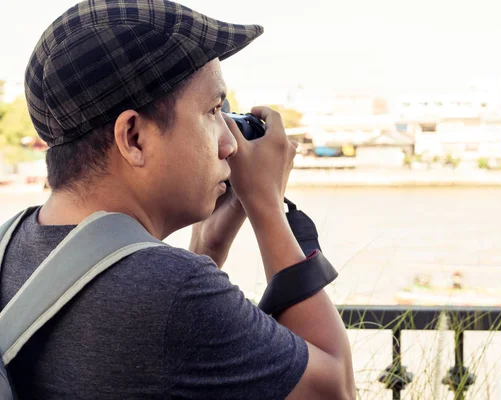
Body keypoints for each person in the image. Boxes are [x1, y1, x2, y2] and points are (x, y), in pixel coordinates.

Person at [0, 1, 355, 399]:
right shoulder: (175, 293)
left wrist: (207, 249)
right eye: (213, 110)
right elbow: (334, 389)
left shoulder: (9, 247)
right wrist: (267, 207)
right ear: (133, 137)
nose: (229, 144)